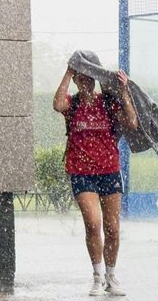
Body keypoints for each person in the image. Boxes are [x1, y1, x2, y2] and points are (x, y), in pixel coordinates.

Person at [53, 52, 138, 297]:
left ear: (95, 78)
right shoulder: (74, 103)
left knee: (112, 229)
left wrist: (123, 91)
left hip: (109, 171)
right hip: (81, 173)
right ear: (78, 80)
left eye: (90, 76)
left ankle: (111, 276)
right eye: (81, 77)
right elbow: (58, 104)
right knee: (93, 224)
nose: (86, 81)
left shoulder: (108, 103)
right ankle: (97, 276)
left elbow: (131, 122)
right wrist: (69, 70)